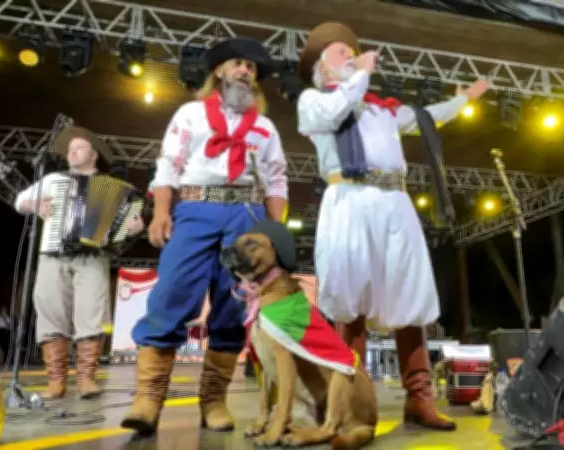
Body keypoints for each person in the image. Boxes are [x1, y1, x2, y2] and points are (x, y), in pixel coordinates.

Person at [295, 22, 489, 431]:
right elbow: (335, 111)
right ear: (322, 70)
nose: (349, 56)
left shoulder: (381, 110)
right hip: (349, 200)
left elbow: (423, 118)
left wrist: (463, 100)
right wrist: (361, 74)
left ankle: (419, 399)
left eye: (352, 51)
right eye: (340, 53)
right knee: (352, 300)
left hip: (394, 203)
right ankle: (351, 403)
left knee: (410, 296)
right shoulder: (314, 101)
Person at [120, 37, 288, 436]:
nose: (245, 70)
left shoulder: (264, 127)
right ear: (219, 71)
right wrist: (161, 211)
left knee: (233, 304)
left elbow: (277, 180)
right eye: (237, 64)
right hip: (195, 209)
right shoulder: (191, 114)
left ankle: (214, 401)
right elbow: (168, 166)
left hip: (245, 215)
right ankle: (148, 400)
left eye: (250, 66)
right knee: (173, 292)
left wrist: (275, 232)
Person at [13, 125, 145, 399]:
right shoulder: (52, 180)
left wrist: (133, 226)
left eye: (79, 148)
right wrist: (33, 206)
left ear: (94, 155)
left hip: (93, 257)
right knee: (51, 312)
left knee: (92, 314)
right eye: (70, 149)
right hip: (52, 252)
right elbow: (20, 200)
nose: (72, 152)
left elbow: (132, 223)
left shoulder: (117, 189)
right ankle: (56, 380)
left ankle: (86, 378)